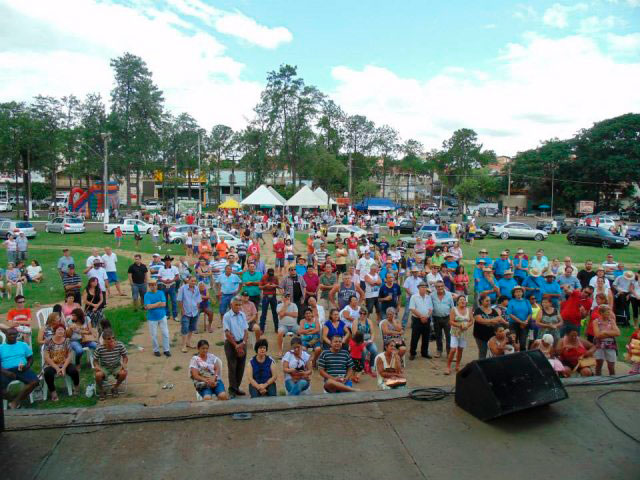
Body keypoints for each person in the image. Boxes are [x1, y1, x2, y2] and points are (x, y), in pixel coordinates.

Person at [0, 327, 39, 409]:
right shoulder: (1, 347)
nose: (12, 336)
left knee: (35, 382)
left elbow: (30, 358)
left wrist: (27, 366)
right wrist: (6, 372)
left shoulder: (23, 345)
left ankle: (16, 401)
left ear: (17, 335)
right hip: (6, 371)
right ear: (6, 335)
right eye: (10, 334)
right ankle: (12, 400)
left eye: (14, 334)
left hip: (21, 369)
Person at [43, 323, 81, 400]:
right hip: (52, 364)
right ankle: (53, 392)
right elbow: (46, 357)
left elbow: (69, 356)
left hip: (64, 363)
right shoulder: (48, 341)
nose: (60, 331)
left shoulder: (67, 341)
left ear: (64, 332)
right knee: (47, 373)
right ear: (55, 331)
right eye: (58, 330)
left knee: (74, 371)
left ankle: (76, 387)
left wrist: (63, 368)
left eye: (62, 330)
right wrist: (57, 368)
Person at [222, 296, 249, 397]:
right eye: (236, 305)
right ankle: (232, 390)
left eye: (240, 304)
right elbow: (227, 333)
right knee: (232, 367)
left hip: (242, 343)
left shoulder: (242, 314)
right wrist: (236, 345)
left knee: (241, 367)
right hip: (231, 344)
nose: (238, 307)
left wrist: (243, 343)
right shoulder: (227, 316)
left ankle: (237, 387)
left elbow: (246, 331)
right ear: (231, 305)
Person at [473, 294, 507, 359]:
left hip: (492, 335)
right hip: (480, 336)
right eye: (487, 301)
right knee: (483, 351)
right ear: (482, 301)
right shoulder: (478, 310)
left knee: (493, 351)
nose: (489, 302)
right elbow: (480, 320)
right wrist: (492, 321)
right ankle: (481, 366)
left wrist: (487, 321)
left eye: (489, 301)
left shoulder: (493, 310)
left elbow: (499, 320)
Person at [144, 278, 171, 357]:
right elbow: (148, 307)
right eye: (151, 285)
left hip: (162, 316)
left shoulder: (161, 292)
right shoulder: (147, 295)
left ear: (156, 285)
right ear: (149, 286)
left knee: (165, 333)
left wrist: (153, 305)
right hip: (152, 318)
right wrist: (158, 303)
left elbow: (164, 304)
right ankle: (156, 350)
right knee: (154, 335)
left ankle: (166, 350)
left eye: (155, 285)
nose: (153, 286)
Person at [447, 295, 473, 375]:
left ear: (466, 302)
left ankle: (457, 365)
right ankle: (448, 367)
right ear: (457, 302)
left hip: (464, 333)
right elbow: (450, 321)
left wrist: (467, 326)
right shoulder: (453, 310)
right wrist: (459, 325)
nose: (462, 301)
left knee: (460, 350)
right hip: (455, 332)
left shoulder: (469, 310)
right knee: (453, 350)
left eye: (464, 300)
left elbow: (471, 321)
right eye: (461, 300)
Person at [592, 304, 620, 376]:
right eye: (607, 312)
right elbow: (597, 335)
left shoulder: (612, 321)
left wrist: (605, 332)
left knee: (611, 365)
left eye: (609, 312)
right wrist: (611, 333)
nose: (609, 314)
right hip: (599, 345)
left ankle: (613, 380)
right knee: (599, 365)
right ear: (601, 313)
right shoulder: (596, 321)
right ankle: (598, 380)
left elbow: (617, 333)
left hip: (610, 345)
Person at [177, 276, 202, 353]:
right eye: (192, 281)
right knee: (185, 328)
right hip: (186, 312)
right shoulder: (183, 288)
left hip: (194, 312)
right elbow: (179, 300)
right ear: (188, 281)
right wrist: (182, 310)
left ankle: (188, 342)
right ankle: (184, 345)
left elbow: (198, 299)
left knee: (191, 328)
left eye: (195, 281)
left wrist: (197, 309)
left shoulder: (197, 288)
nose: (193, 282)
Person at [430, 280, 454, 358]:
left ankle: (448, 352)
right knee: (438, 335)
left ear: (444, 286)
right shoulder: (432, 295)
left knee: (448, 336)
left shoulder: (449, 295)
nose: (440, 288)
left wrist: (452, 319)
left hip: (447, 318)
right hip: (436, 318)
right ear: (435, 287)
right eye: (438, 286)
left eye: (441, 286)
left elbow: (452, 307)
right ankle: (439, 350)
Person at [507, 285, 532, 351]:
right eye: (516, 292)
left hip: (524, 324)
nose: (518, 293)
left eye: (520, 291)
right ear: (514, 293)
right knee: (513, 342)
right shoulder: (511, 302)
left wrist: (526, 321)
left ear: (522, 293)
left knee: (523, 342)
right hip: (514, 324)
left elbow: (530, 313)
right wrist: (521, 322)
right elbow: (510, 314)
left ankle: (522, 357)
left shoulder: (526, 301)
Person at [276, 293, 299, 357]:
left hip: (294, 325)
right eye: (286, 296)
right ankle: (280, 350)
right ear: (282, 298)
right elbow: (280, 315)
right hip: (283, 325)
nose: (287, 298)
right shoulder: (279, 305)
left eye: (288, 296)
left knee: (302, 331)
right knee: (280, 333)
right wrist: (285, 305)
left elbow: (296, 315)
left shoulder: (294, 305)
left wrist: (285, 313)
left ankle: (301, 349)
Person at [157, 255, 179, 322]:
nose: (167, 262)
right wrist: (164, 281)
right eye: (166, 260)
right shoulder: (161, 268)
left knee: (174, 301)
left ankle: (175, 315)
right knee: (165, 301)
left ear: (170, 261)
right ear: (164, 261)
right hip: (163, 285)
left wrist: (172, 280)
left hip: (172, 285)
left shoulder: (174, 268)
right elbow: (159, 277)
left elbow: (177, 276)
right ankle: (167, 314)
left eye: (168, 260)